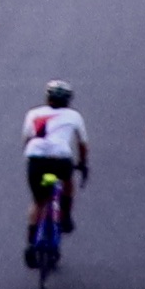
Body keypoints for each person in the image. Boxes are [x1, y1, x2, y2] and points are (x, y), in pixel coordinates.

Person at [20, 78, 96, 269]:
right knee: (68, 183)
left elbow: (27, 139)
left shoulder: (33, 113)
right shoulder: (73, 116)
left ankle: (31, 244)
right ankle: (65, 216)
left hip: (36, 160)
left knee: (38, 202)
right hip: (60, 160)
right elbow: (82, 144)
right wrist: (83, 163)